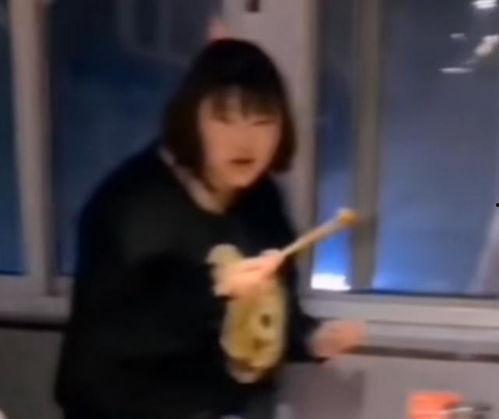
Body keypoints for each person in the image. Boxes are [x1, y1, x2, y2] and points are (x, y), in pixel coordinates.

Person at [55, 39, 365, 419]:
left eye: (263, 122)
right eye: (224, 119)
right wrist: (216, 288)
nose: (245, 140)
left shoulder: (261, 199)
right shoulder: (133, 204)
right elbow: (117, 335)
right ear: (191, 119)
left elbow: (269, 311)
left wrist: (311, 338)